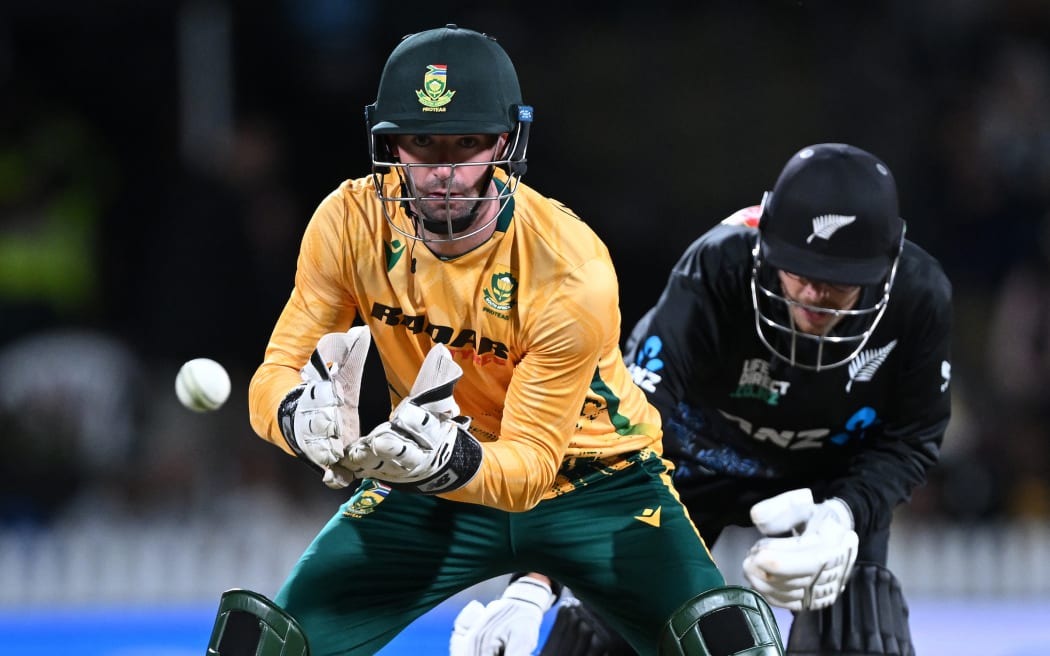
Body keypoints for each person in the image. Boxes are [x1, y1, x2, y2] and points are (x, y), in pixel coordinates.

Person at [204, 25, 785, 656]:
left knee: (727, 645)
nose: (444, 172)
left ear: (505, 143)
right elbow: (273, 374)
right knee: (261, 647)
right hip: (425, 479)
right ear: (391, 146)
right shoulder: (348, 223)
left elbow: (531, 470)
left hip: (598, 485)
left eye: (467, 144)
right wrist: (295, 419)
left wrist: (447, 460)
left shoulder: (568, 267)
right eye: (422, 144)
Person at [453, 143, 952, 655]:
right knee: (602, 632)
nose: (811, 297)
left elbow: (912, 438)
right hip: (693, 460)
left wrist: (846, 513)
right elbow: (617, 425)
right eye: (797, 271)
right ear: (767, 244)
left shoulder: (920, 297)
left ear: (883, 271)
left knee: (859, 630)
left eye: (837, 285)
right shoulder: (717, 266)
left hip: (829, 482)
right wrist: (535, 583)